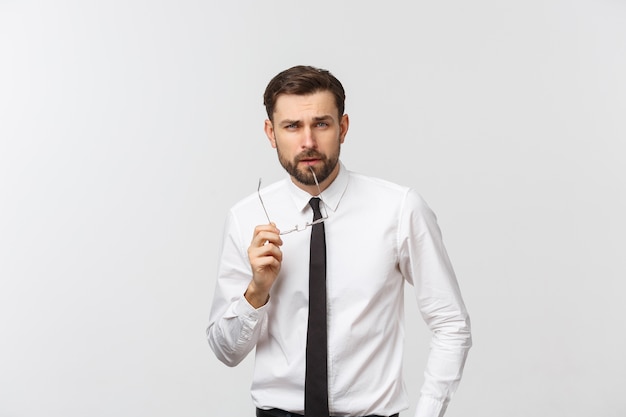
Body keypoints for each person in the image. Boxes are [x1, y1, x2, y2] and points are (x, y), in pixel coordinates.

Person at [207, 65, 471, 417]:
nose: (308, 142)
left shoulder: (398, 208)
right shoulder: (245, 217)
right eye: (292, 126)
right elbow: (226, 352)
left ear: (342, 128)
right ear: (271, 133)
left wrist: (429, 411)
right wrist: (256, 291)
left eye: (321, 124)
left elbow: (451, 322)